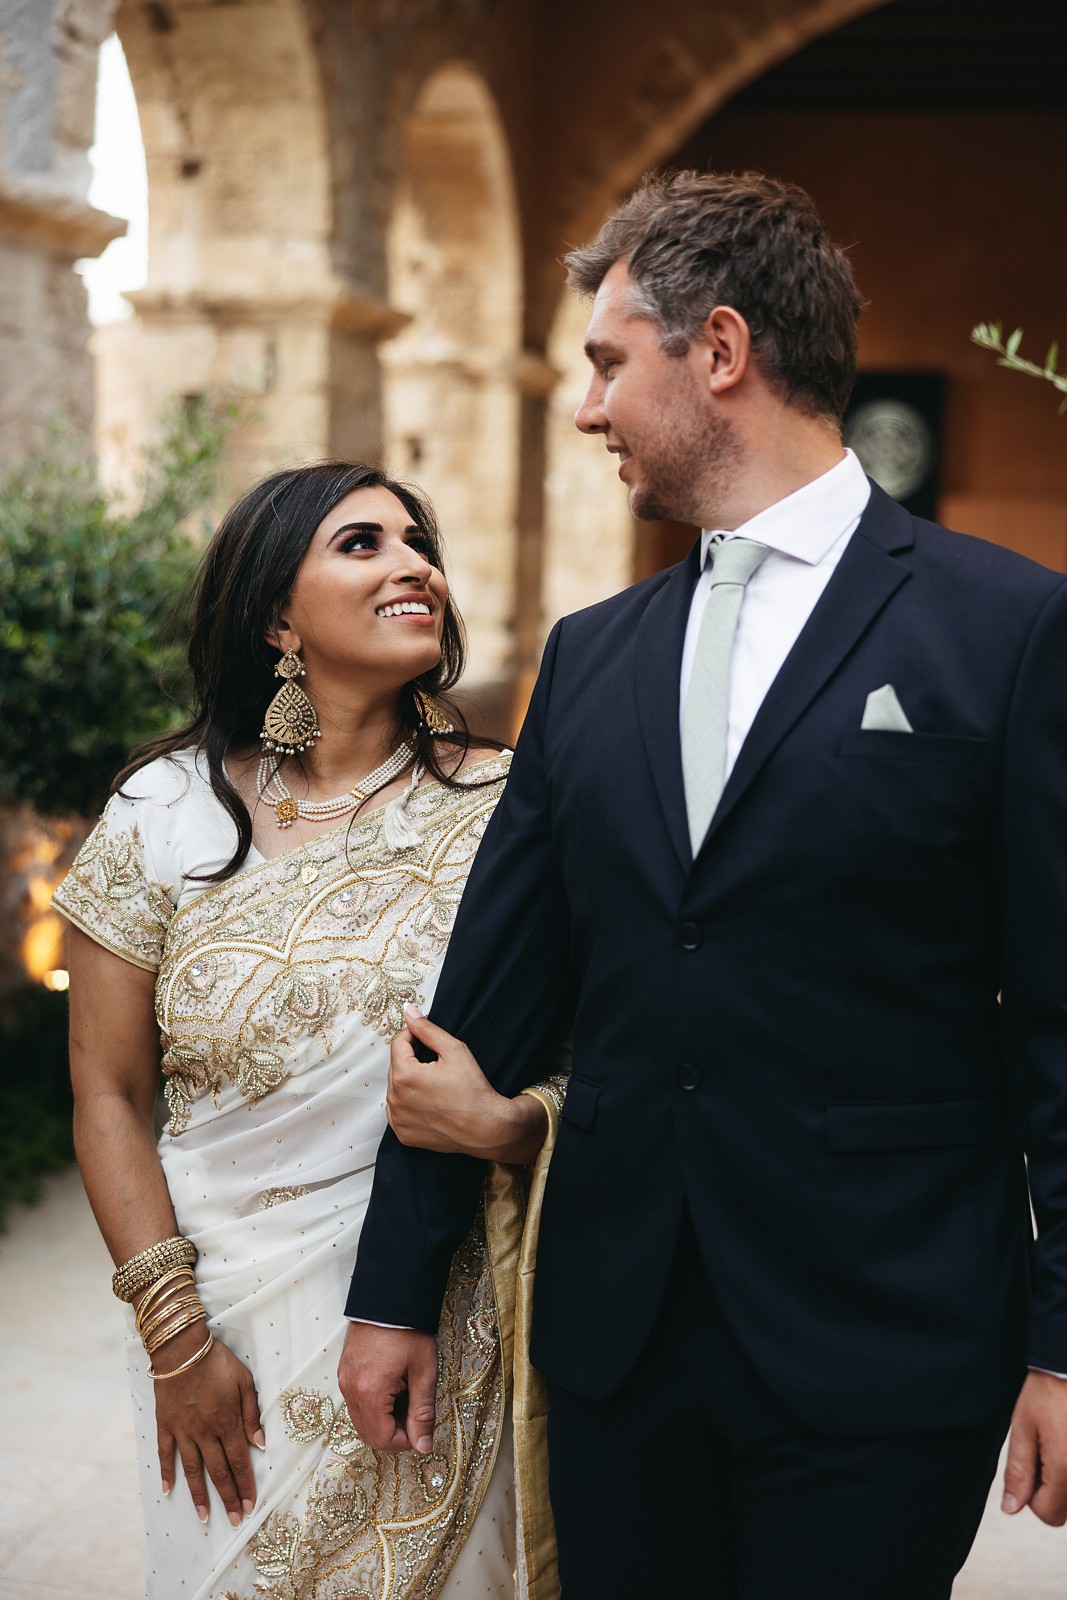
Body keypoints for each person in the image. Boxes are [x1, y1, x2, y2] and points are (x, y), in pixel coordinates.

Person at [339, 171, 1067, 1599]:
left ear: (718, 349)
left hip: (883, 1337)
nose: (587, 407)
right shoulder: (590, 654)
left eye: (608, 363)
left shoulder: (1009, 627)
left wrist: (1062, 1341)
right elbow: (484, 998)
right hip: (619, 1342)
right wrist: (392, 1292)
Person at [53, 461, 555, 1600]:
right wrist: (176, 1338)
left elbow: (600, 1053)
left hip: (442, 1320)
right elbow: (108, 1095)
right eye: (362, 543)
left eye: (419, 542)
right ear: (278, 617)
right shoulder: (163, 811)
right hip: (219, 1321)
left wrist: (517, 1125)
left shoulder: (507, 810)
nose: (413, 564)